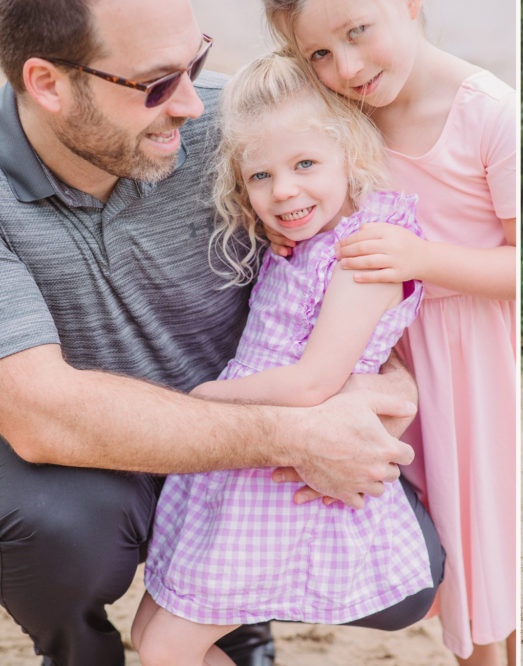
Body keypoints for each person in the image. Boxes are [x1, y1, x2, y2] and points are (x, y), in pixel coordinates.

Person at [0, 1, 422, 663]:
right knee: (54, 536)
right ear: (49, 84)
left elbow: (362, 225)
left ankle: (239, 623)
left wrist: (392, 380)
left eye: (194, 62)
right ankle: (77, 649)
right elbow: (38, 412)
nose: (193, 105)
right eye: (158, 84)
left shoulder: (252, 129)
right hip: (87, 456)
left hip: (246, 433)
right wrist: (299, 432)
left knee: (411, 580)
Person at [130, 52, 445, 666]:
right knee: (150, 636)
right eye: (261, 177)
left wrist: (197, 405)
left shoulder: (364, 256)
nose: (285, 190)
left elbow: (312, 382)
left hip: (284, 480)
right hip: (243, 460)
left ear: (350, 157)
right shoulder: (304, 238)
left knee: (166, 649)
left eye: (305, 164)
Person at [263, 1, 517, 663]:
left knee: (481, 551)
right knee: (443, 552)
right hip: (388, 357)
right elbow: (301, 178)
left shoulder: (490, 114)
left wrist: (423, 261)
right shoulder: (343, 115)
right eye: (319, 53)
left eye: (358, 33)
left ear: (408, 7)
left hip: (472, 363)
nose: (345, 67)